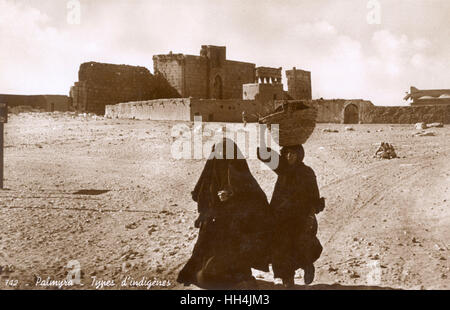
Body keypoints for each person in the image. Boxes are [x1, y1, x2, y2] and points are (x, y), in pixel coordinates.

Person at [177, 138, 272, 289]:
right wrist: (210, 209)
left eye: (226, 155)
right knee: (203, 274)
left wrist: (233, 196)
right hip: (214, 227)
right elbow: (201, 195)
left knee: (232, 263)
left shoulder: (241, 174)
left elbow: (256, 200)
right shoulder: (212, 172)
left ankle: (240, 278)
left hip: (237, 230)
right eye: (219, 154)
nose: (223, 158)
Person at [258, 143, 325, 287]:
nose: (289, 156)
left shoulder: (307, 173)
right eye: (287, 153)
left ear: (299, 155)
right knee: (280, 247)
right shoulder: (282, 169)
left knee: (300, 245)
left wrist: (311, 214)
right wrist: (266, 131)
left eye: (293, 154)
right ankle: (288, 279)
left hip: (300, 218)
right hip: (280, 217)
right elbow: (262, 153)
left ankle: (307, 266)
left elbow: (315, 196)